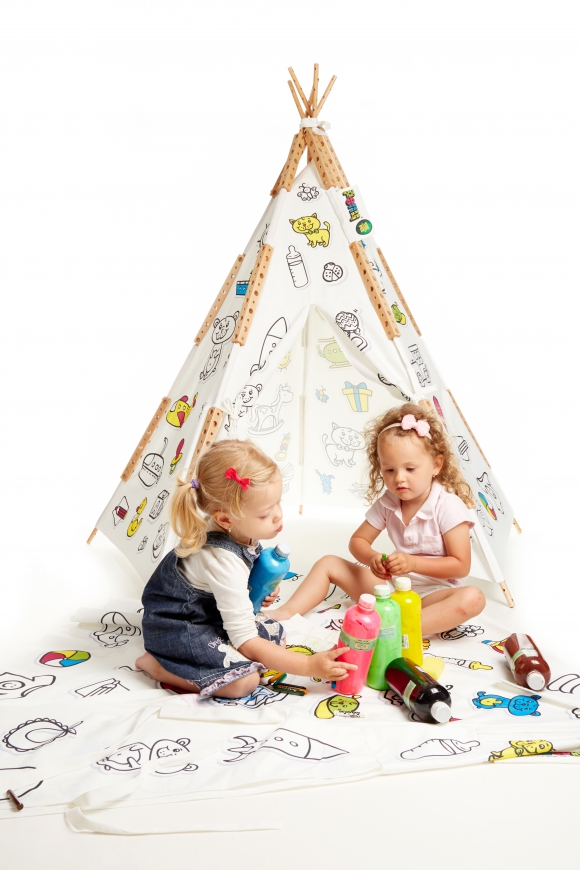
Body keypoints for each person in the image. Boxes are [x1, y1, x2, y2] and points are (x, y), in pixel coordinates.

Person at [136, 439, 355, 697]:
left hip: (209, 613)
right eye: (264, 514)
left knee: (276, 637)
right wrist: (308, 665)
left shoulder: (236, 529)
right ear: (225, 519)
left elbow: (234, 581)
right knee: (244, 682)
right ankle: (158, 666)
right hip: (180, 626)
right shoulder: (222, 560)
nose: (278, 515)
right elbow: (245, 639)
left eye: (278, 502)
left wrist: (258, 586)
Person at [273, 403, 485, 635]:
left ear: (436, 465)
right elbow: (358, 541)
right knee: (328, 563)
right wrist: (373, 558)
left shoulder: (448, 506)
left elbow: (461, 566)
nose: (399, 478)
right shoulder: (389, 502)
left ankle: (396, 631)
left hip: (433, 596)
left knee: (473, 598)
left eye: (410, 469)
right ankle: (286, 612)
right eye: (389, 470)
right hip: (390, 590)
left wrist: (414, 563)